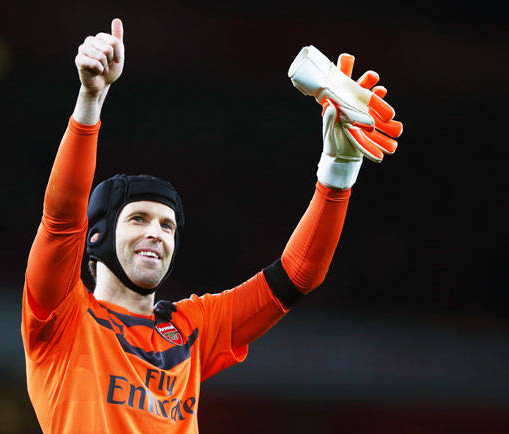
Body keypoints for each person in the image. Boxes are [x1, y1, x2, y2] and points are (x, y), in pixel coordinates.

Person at [21, 18, 402, 434]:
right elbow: (61, 219)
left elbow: (298, 275)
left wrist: (338, 170)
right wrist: (90, 98)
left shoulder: (191, 329)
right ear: (96, 236)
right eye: (138, 219)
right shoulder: (62, 317)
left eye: (168, 226)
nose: (157, 233)